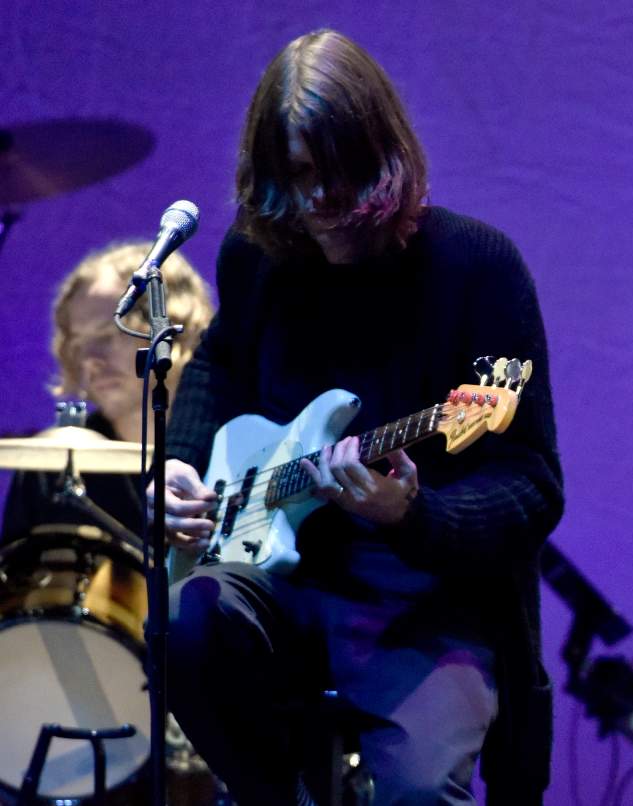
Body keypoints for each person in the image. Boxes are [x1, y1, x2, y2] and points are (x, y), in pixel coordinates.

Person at [154, 29, 563, 805]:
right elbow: (218, 363)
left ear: (386, 152)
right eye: (296, 176)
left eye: (339, 175)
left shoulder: (478, 269)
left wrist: (413, 513)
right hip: (278, 581)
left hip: (423, 602)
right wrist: (178, 458)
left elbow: (532, 484)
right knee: (183, 622)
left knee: (416, 793)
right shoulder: (258, 257)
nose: (319, 202)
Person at [1, 241, 213, 543]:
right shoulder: (53, 465)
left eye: (108, 334)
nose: (89, 358)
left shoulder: (237, 444)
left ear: (169, 329)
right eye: (78, 342)